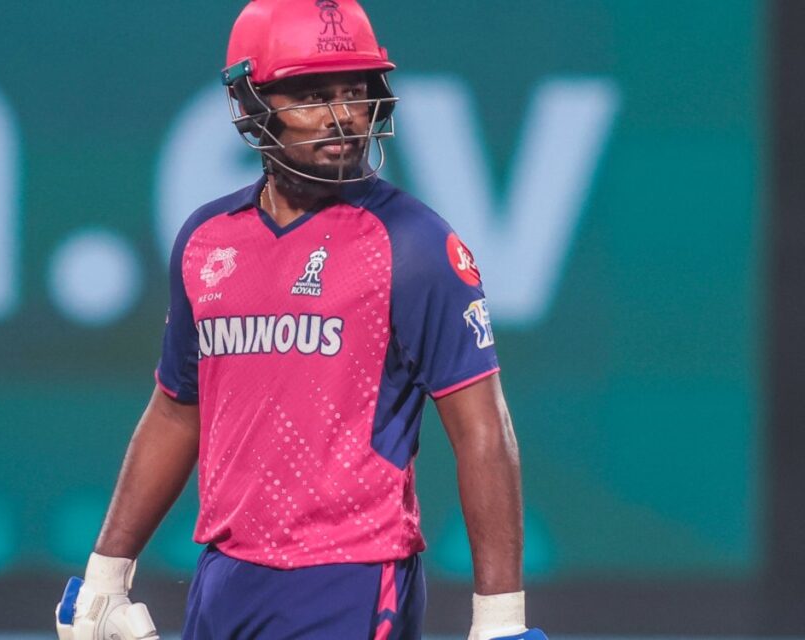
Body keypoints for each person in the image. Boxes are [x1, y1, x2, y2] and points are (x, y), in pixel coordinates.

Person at [56, 2, 547, 639]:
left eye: (354, 92)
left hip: (352, 578)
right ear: (252, 104)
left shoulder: (414, 245)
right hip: (224, 579)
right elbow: (177, 410)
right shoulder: (207, 240)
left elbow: (483, 429)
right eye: (313, 96)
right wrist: (106, 574)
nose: (343, 115)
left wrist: (501, 619)